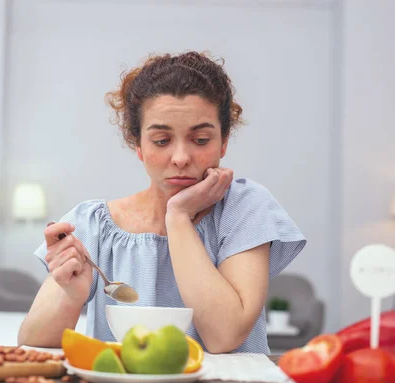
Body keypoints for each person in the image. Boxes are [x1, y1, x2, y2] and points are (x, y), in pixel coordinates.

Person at [17, 51, 306, 354]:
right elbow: (30, 343)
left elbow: (225, 336)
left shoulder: (244, 207)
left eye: (201, 140)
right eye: (161, 141)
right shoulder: (93, 224)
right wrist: (70, 295)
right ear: (137, 144)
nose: (181, 158)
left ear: (224, 141)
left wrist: (178, 216)